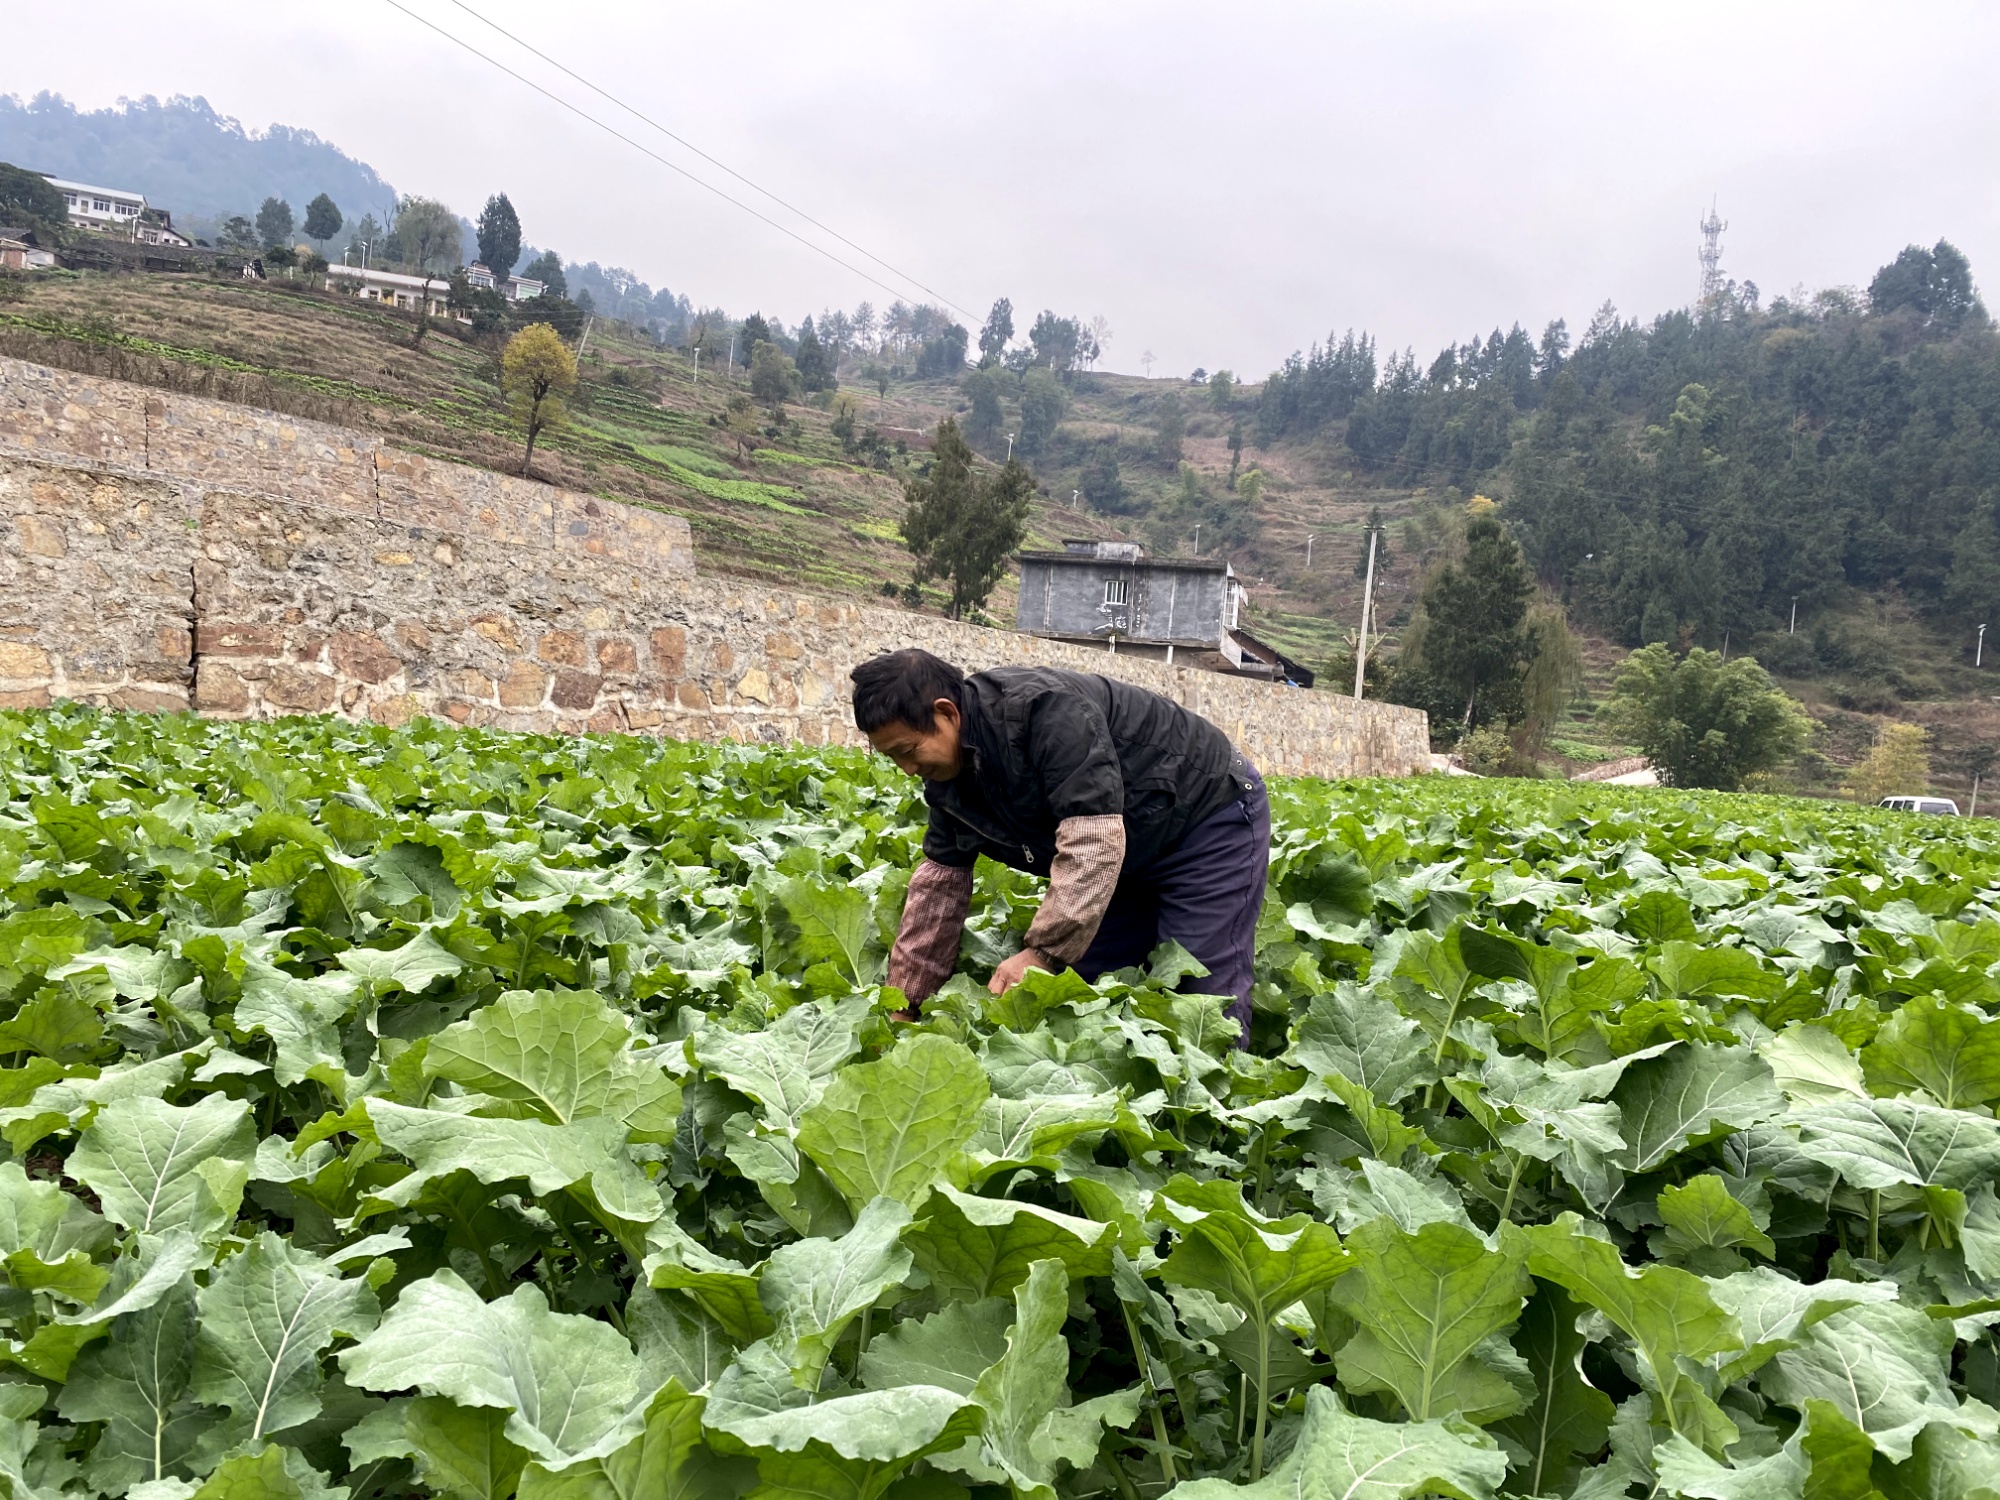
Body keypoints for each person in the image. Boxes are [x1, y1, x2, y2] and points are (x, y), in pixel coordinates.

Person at [850, 648, 1271, 1037]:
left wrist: (1043, 954)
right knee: (1084, 990)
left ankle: (1219, 1114)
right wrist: (904, 1004)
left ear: (946, 713)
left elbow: (1094, 841)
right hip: (1129, 852)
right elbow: (937, 892)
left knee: (1200, 999)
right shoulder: (948, 783)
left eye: (908, 750)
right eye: (893, 758)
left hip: (1206, 817)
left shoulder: (1042, 711)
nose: (906, 769)